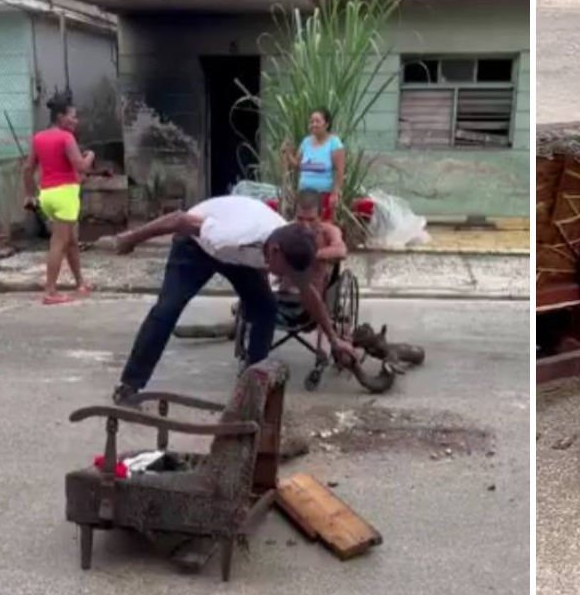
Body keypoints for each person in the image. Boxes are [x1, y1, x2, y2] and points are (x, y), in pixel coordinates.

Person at [106, 195, 357, 406]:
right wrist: (132, 238)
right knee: (167, 309)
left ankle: (253, 388)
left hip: (241, 256)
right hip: (195, 247)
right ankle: (129, 386)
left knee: (265, 307)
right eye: (286, 271)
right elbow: (178, 219)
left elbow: (309, 294)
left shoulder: (288, 243)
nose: (286, 278)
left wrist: (334, 340)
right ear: (274, 253)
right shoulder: (231, 236)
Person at [22, 93, 94, 305]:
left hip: (47, 194)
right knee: (59, 243)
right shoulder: (66, 138)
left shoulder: (38, 138)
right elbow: (81, 167)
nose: (76, 120)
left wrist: (29, 194)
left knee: (71, 241)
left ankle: (80, 282)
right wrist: (90, 155)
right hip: (65, 195)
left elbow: (27, 169)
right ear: (60, 117)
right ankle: (50, 291)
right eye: (72, 116)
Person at [282, 108, 346, 222]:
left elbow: (339, 170)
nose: (314, 124)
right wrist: (287, 152)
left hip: (324, 196)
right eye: (311, 121)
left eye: (317, 121)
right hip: (304, 196)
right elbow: (297, 164)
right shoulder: (306, 142)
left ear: (326, 124)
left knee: (322, 229)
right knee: (304, 230)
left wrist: (335, 194)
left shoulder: (334, 143)